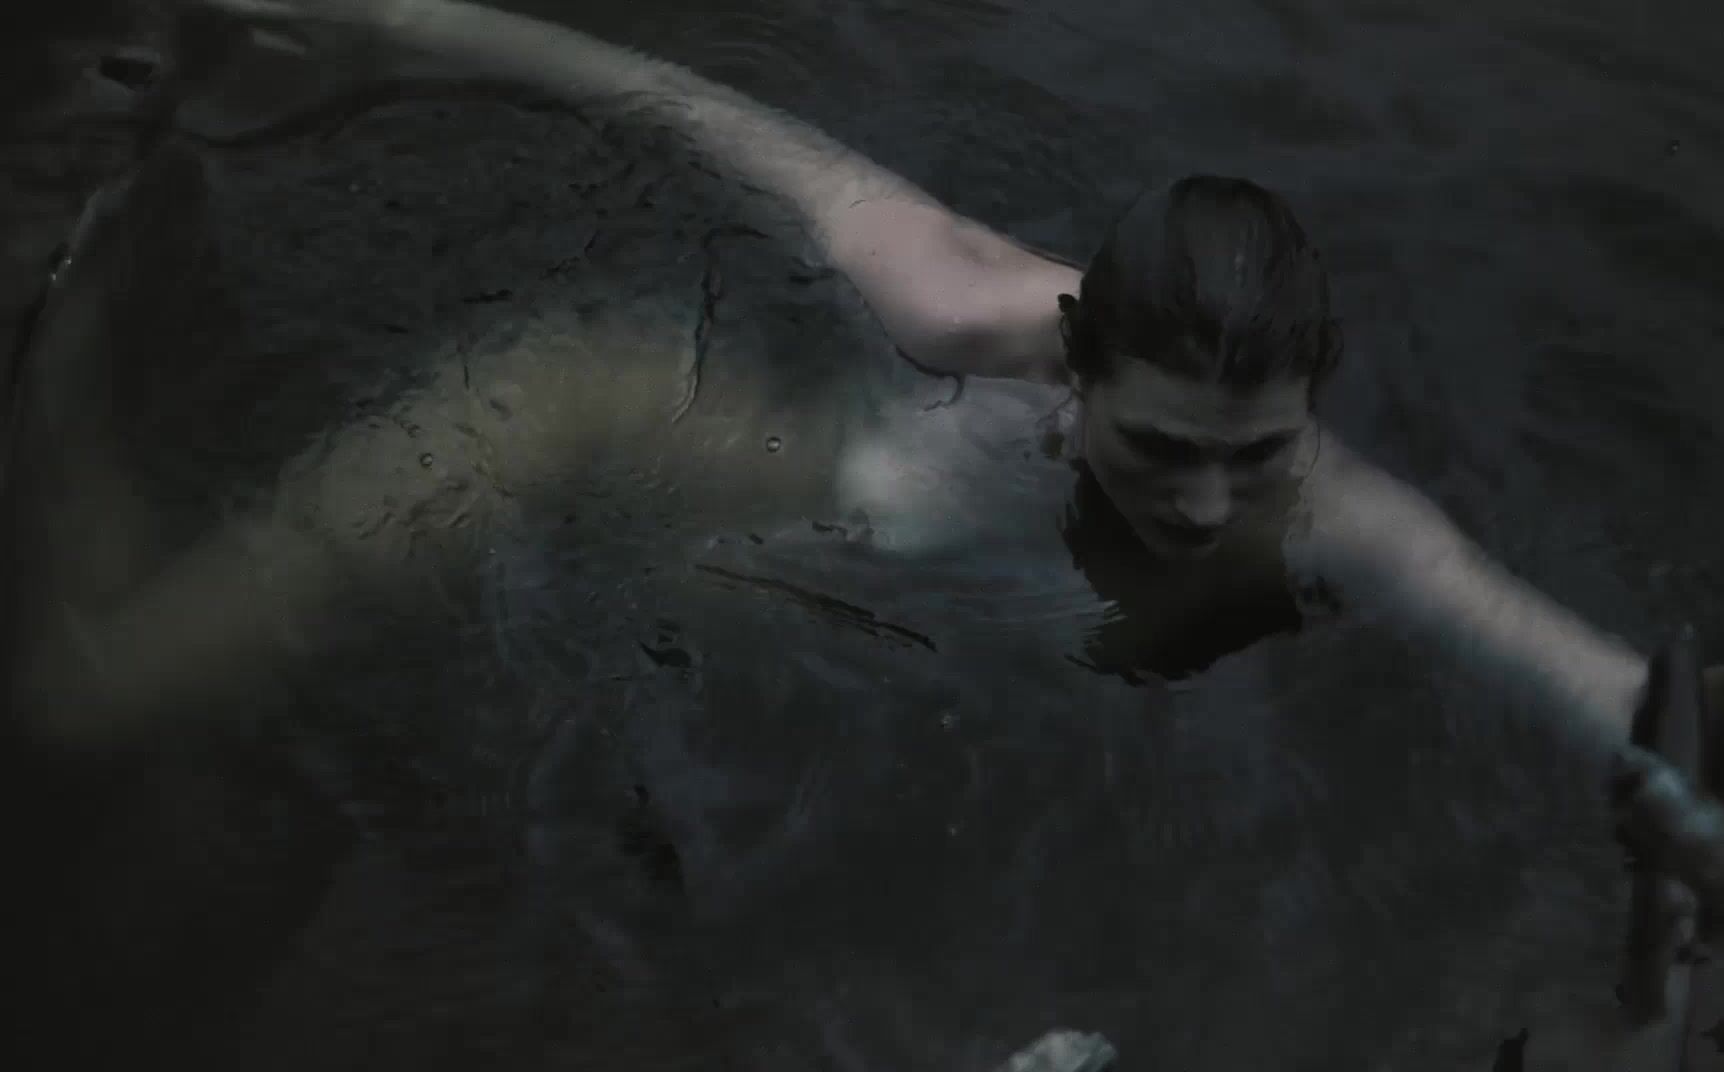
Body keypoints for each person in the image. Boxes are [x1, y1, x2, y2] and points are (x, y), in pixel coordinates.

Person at [187, 0, 1690, 735]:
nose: (1206, 502)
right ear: (1075, 367)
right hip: (698, 491)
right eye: (1163, 447)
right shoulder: (952, 297)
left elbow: (1580, 670)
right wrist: (392, 36)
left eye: (1255, 453)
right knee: (118, 687)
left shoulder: (1336, 508)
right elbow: (674, 103)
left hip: (895, 646)